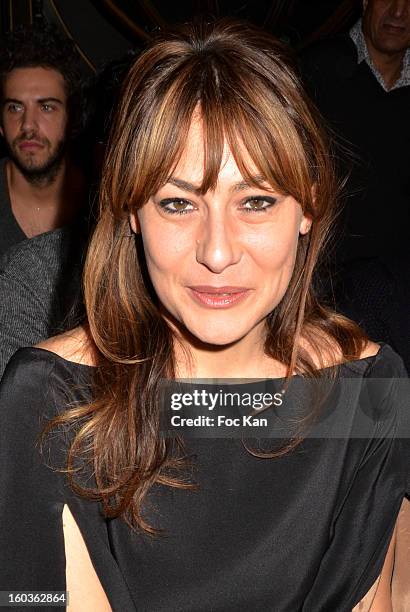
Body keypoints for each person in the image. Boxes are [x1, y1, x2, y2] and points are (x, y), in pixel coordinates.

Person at [0, 21, 409, 611]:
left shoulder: (369, 395)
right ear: (133, 212)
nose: (216, 252)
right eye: (177, 202)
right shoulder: (52, 400)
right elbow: (27, 598)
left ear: (309, 207)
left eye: (256, 201)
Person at [299, 0, 410, 266]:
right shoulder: (314, 70)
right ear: (365, 2)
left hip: (398, 279)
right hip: (324, 274)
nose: (398, 12)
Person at [0, 24, 86, 259]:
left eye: (46, 107)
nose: (28, 125)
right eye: (15, 107)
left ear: (72, 119)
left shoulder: (103, 207)